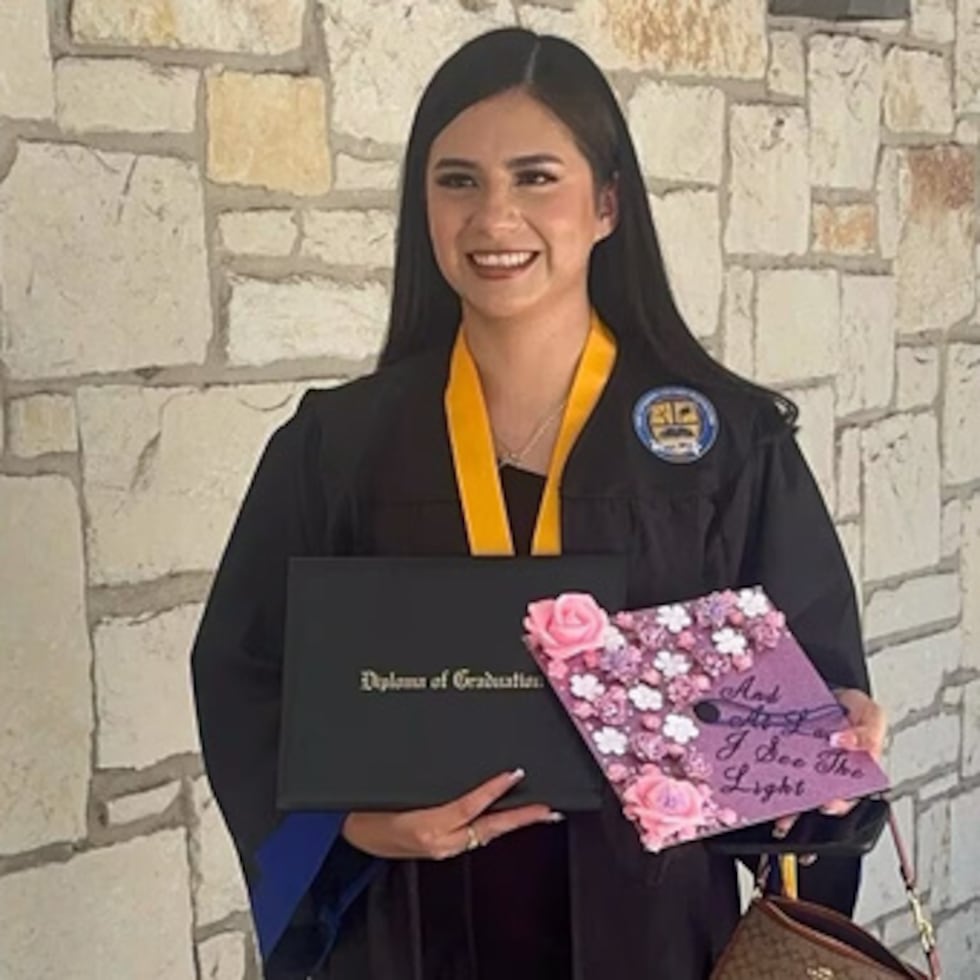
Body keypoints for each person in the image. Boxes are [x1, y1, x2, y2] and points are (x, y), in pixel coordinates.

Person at [191, 27, 887, 980]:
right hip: (407, 938)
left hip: (653, 943)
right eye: (459, 181)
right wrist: (350, 822)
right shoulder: (339, 447)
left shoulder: (722, 447)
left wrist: (829, 752)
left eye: (535, 177)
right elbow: (245, 673)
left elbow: (805, 716)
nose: (495, 217)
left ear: (606, 204)